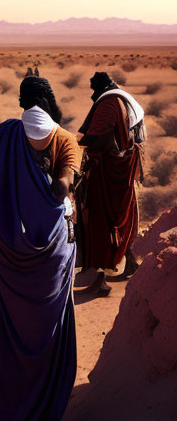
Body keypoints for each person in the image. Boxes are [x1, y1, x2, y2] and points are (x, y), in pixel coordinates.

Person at [0, 76, 78, 421]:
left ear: (23, 102)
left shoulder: (2, 135)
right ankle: (41, 410)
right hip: (50, 255)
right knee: (46, 329)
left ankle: (3, 407)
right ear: (50, 100)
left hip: (2, 249)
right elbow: (61, 189)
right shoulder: (63, 139)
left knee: (4, 327)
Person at [76, 71, 144, 294]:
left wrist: (82, 144)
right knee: (119, 218)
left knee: (99, 220)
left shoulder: (109, 102)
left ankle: (100, 281)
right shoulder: (123, 98)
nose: (93, 94)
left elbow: (98, 137)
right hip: (122, 169)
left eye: (94, 89)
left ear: (101, 88)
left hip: (108, 172)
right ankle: (130, 262)